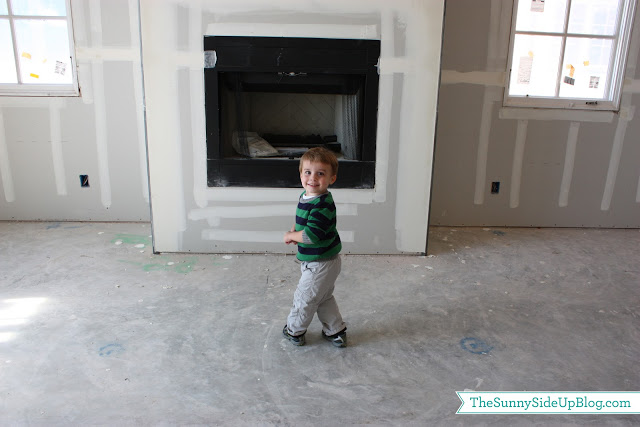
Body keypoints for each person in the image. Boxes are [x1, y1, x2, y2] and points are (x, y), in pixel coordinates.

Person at [282, 147, 347, 348]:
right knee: (323, 297)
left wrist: (291, 236)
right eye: (308, 172)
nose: (313, 178)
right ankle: (335, 330)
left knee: (305, 298)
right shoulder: (307, 196)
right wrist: (296, 232)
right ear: (301, 174)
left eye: (320, 173)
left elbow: (312, 235)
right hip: (322, 260)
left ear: (332, 179)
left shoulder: (322, 204)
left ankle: (294, 330)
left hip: (320, 263)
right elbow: (305, 223)